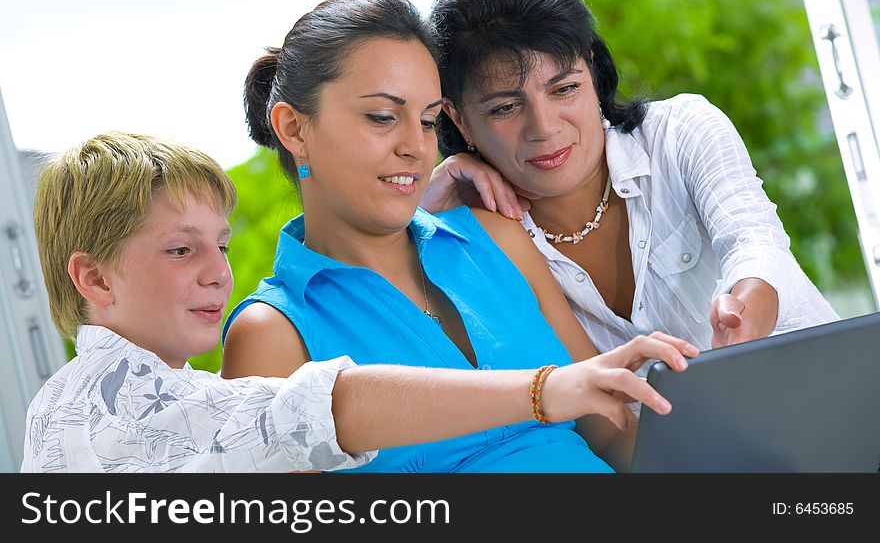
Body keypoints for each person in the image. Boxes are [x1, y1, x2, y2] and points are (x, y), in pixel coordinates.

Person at [22, 131, 695, 473]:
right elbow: (331, 405)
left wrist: (402, 212)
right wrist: (549, 387)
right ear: (96, 279)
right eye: (179, 250)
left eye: (220, 246)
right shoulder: (106, 401)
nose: (214, 274)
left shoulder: (144, 391)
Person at [220, 0, 697, 473]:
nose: (416, 147)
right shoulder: (273, 334)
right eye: (383, 118)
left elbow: (616, 437)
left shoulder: (496, 240)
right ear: (295, 128)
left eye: (427, 121)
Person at [421, 0, 839, 355]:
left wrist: (747, 307)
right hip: (681, 434)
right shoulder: (479, 237)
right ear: (458, 118)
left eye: (564, 88)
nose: (544, 127)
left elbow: (755, 239)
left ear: (590, 67)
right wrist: (422, 210)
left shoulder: (680, 132)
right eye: (505, 108)